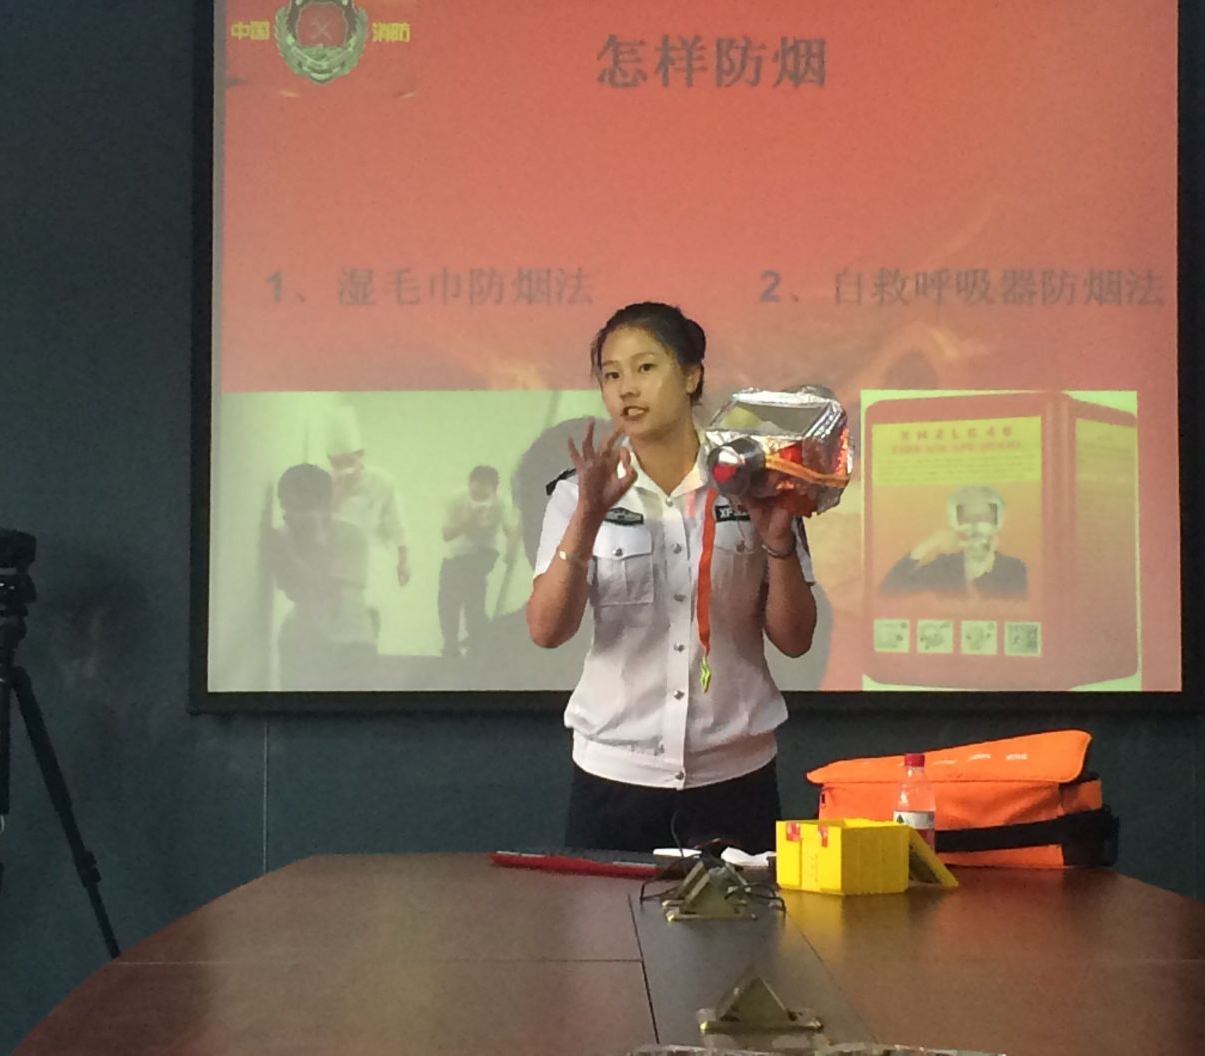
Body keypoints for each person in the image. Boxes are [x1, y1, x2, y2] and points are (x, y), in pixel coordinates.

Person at [525, 301, 818, 855]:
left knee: (742, 915)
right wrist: (587, 518)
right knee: (605, 916)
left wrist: (778, 542)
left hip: (735, 775)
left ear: (690, 375)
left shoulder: (755, 482)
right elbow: (546, 630)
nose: (626, 389)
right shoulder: (578, 493)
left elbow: (795, 639)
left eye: (645, 367)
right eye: (611, 375)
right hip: (615, 774)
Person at [267, 463, 378, 689]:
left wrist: (311, 540)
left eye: (299, 507)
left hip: (351, 645)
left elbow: (326, 590)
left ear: (324, 504)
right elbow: (294, 591)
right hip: (301, 642)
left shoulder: (351, 536)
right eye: (285, 506)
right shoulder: (285, 536)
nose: (289, 515)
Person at [880, 484, 1028, 599]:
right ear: (955, 522)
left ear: (997, 520)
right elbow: (889, 590)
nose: (976, 525)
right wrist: (927, 546)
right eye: (968, 518)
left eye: (984, 517)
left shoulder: (1013, 568)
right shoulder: (943, 566)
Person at [325, 404, 412, 589]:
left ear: (361, 456)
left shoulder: (382, 482)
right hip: (336, 564)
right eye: (337, 464)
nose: (344, 469)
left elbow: (397, 524)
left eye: (349, 461)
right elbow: (320, 525)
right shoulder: (325, 483)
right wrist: (339, 494)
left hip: (372, 564)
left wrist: (403, 561)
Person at [438, 464, 518, 659]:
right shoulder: (457, 499)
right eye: (475, 495)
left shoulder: (501, 502)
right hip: (455, 556)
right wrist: (467, 521)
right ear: (469, 485)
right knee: (449, 600)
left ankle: (476, 639)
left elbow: (510, 530)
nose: (480, 500)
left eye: (484, 496)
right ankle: (451, 644)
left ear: (494, 490)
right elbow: (446, 534)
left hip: (484, 553)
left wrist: (510, 551)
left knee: (473, 593)